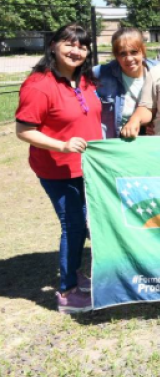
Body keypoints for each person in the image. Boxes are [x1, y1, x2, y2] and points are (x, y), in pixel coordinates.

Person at [15, 23, 103, 314]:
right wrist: (61, 146)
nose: (76, 50)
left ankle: (75, 272)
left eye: (82, 45)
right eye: (69, 43)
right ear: (53, 45)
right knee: (74, 225)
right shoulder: (39, 85)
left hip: (88, 168)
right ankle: (67, 291)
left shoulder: (85, 80)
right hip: (58, 170)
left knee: (85, 225)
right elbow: (24, 130)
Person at [94, 27, 158, 139]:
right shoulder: (101, 74)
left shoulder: (159, 71)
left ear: (143, 51)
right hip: (117, 138)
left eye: (134, 52)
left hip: (151, 137)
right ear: (116, 55)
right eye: (123, 54)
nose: (129, 58)